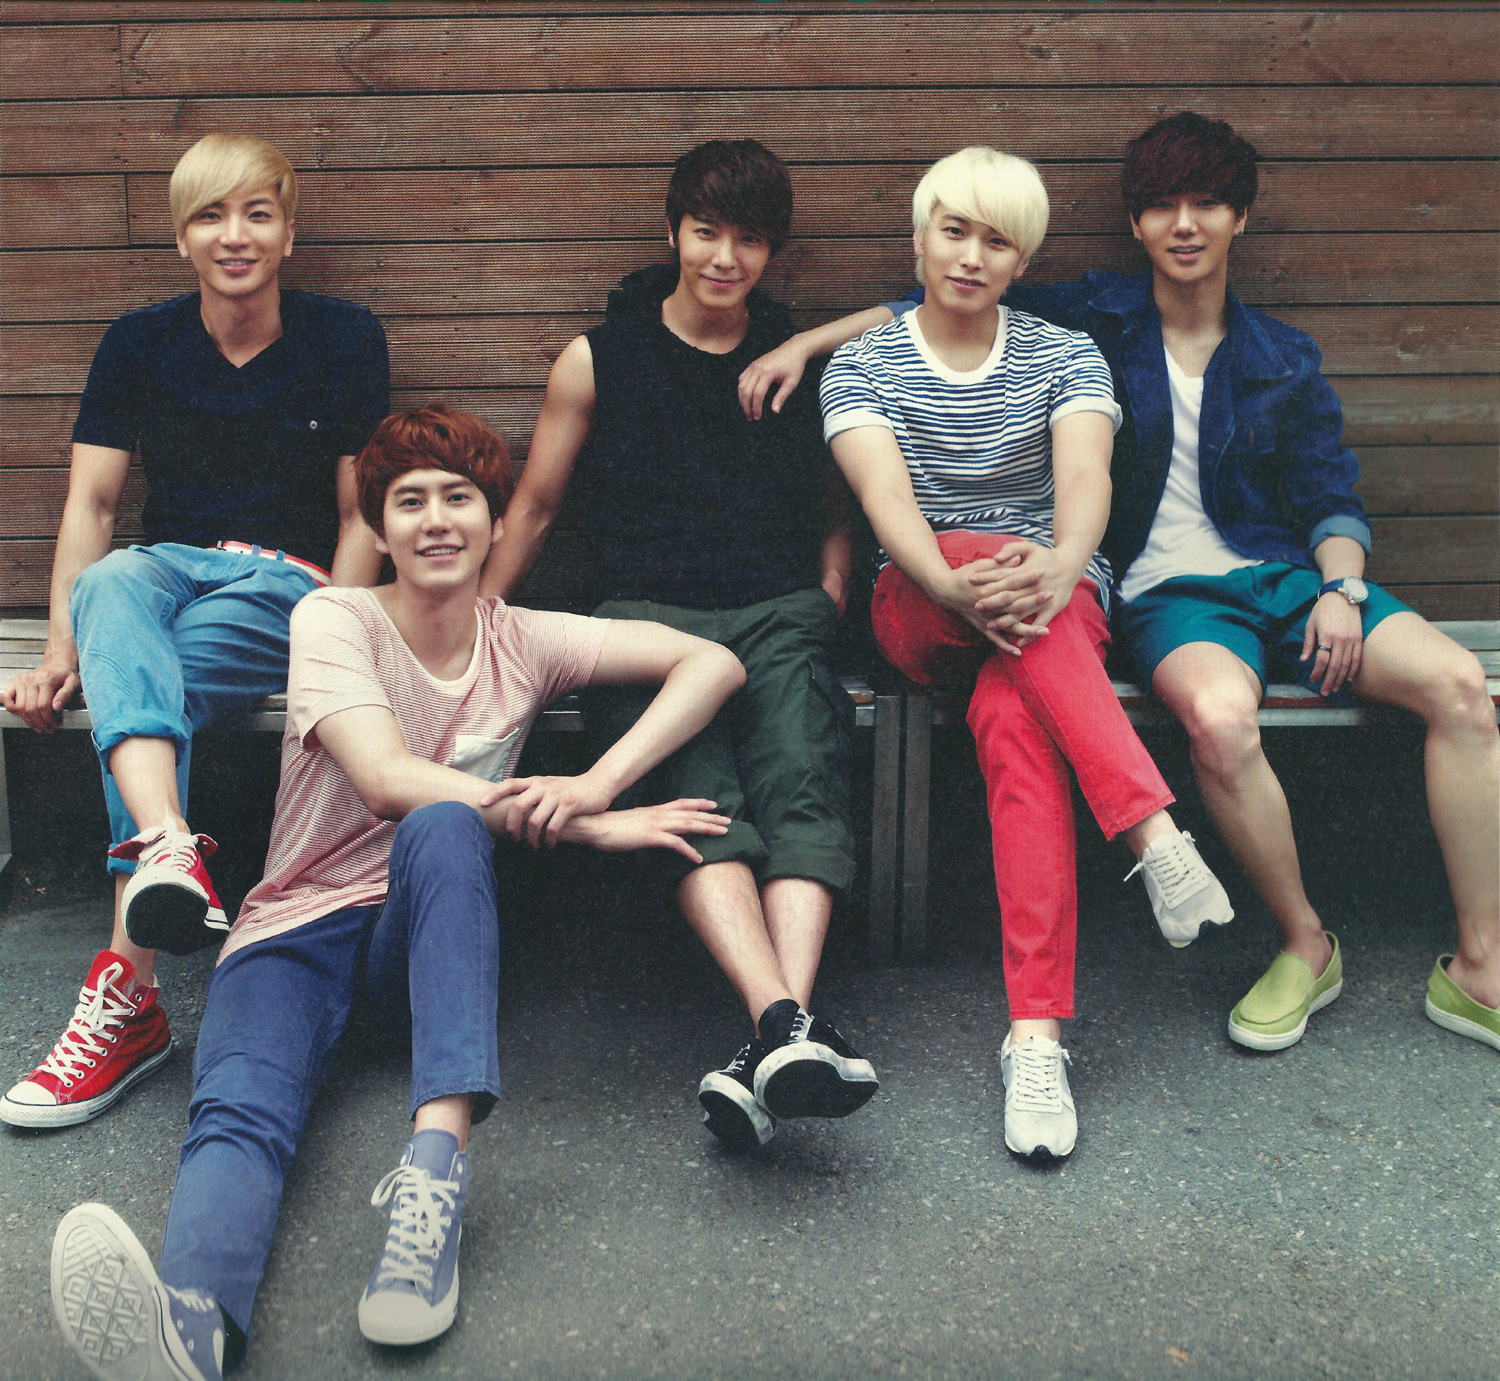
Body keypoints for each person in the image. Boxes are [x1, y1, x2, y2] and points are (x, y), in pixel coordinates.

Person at [745, 112, 1500, 1055]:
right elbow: (930, 300)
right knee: (1214, 715)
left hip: (1276, 579)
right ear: (1136, 223)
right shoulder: (1096, 315)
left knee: (1462, 685)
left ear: (1240, 218)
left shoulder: (1278, 355)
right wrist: (804, 344)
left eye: (1208, 204)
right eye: (1161, 206)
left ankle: (1481, 966)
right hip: (1155, 597)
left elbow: (1329, 496)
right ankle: (1273, 920)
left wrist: (1341, 591)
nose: (1184, 224)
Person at [49, 404, 744, 1380]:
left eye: (458, 497)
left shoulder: (526, 639)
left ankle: (432, 1189)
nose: (436, 520)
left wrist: (597, 783)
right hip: (293, 928)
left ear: (496, 521)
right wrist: (592, 827)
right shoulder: (335, 616)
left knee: (446, 827)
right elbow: (382, 776)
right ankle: (190, 1330)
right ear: (378, 529)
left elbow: (713, 662)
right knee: (238, 1112)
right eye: (409, 502)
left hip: (419, 949)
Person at [818, 146, 1232, 1161]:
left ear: (1022, 260)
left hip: (1052, 597)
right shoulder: (863, 365)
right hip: (919, 599)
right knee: (974, 550)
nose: (971, 255)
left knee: (1018, 722)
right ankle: (1153, 834)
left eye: (996, 240)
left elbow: (1085, 478)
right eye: (954, 231)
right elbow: (885, 497)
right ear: (920, 239)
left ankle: (1035, 1040)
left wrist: (1062, 563)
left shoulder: (1062, 354)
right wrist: (950, 578)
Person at [486, 138, 876, 1155]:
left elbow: (846, 475)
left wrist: (832, 586)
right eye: (706, 233)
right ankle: (785, 1026)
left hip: (778, 609)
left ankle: (775, 1032)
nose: (725, 258)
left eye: (750, 240)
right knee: (698, 797)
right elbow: (535, 505)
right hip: (646, 625)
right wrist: (476, 621)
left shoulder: (795, 355)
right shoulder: (601, 356)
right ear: (672, 232)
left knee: (802, 782)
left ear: (773, 250)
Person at [2, 134, 392, 1130]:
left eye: (257, 213)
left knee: (135, 667)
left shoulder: (344, 337)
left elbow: (360, 517)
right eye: (211, 215)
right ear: (182, 238)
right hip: (166, 573)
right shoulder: (139, 342)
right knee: (116, 578)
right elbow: (92, 508)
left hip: (286, 587)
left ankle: (125, 996)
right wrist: (59, 653)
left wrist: (338, 637)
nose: (235, 235)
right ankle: (170, 843)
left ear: (289, 233)